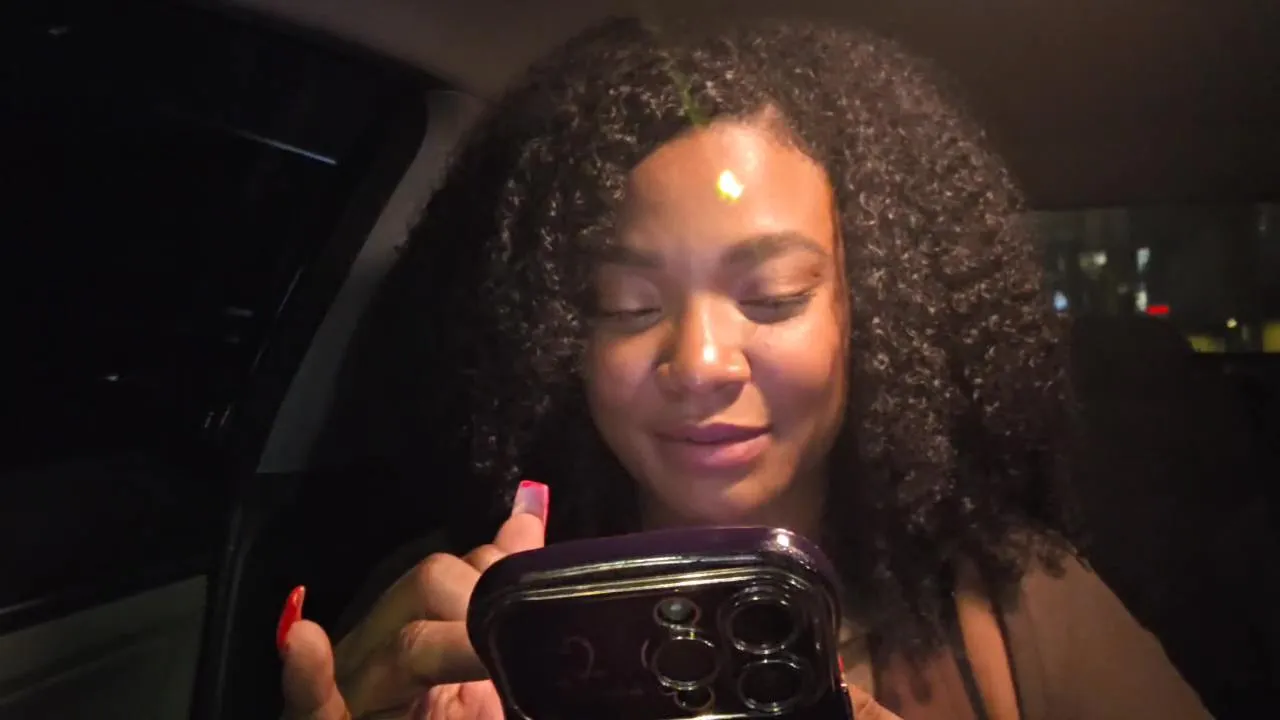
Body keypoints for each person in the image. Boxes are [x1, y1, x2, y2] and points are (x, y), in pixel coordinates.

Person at [277, 16, 1213, 720]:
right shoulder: (462, 625)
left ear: (868, 318)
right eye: (628, 306)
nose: (700, 363)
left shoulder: (1012, 611)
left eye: (772, 296)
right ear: (561, 338)